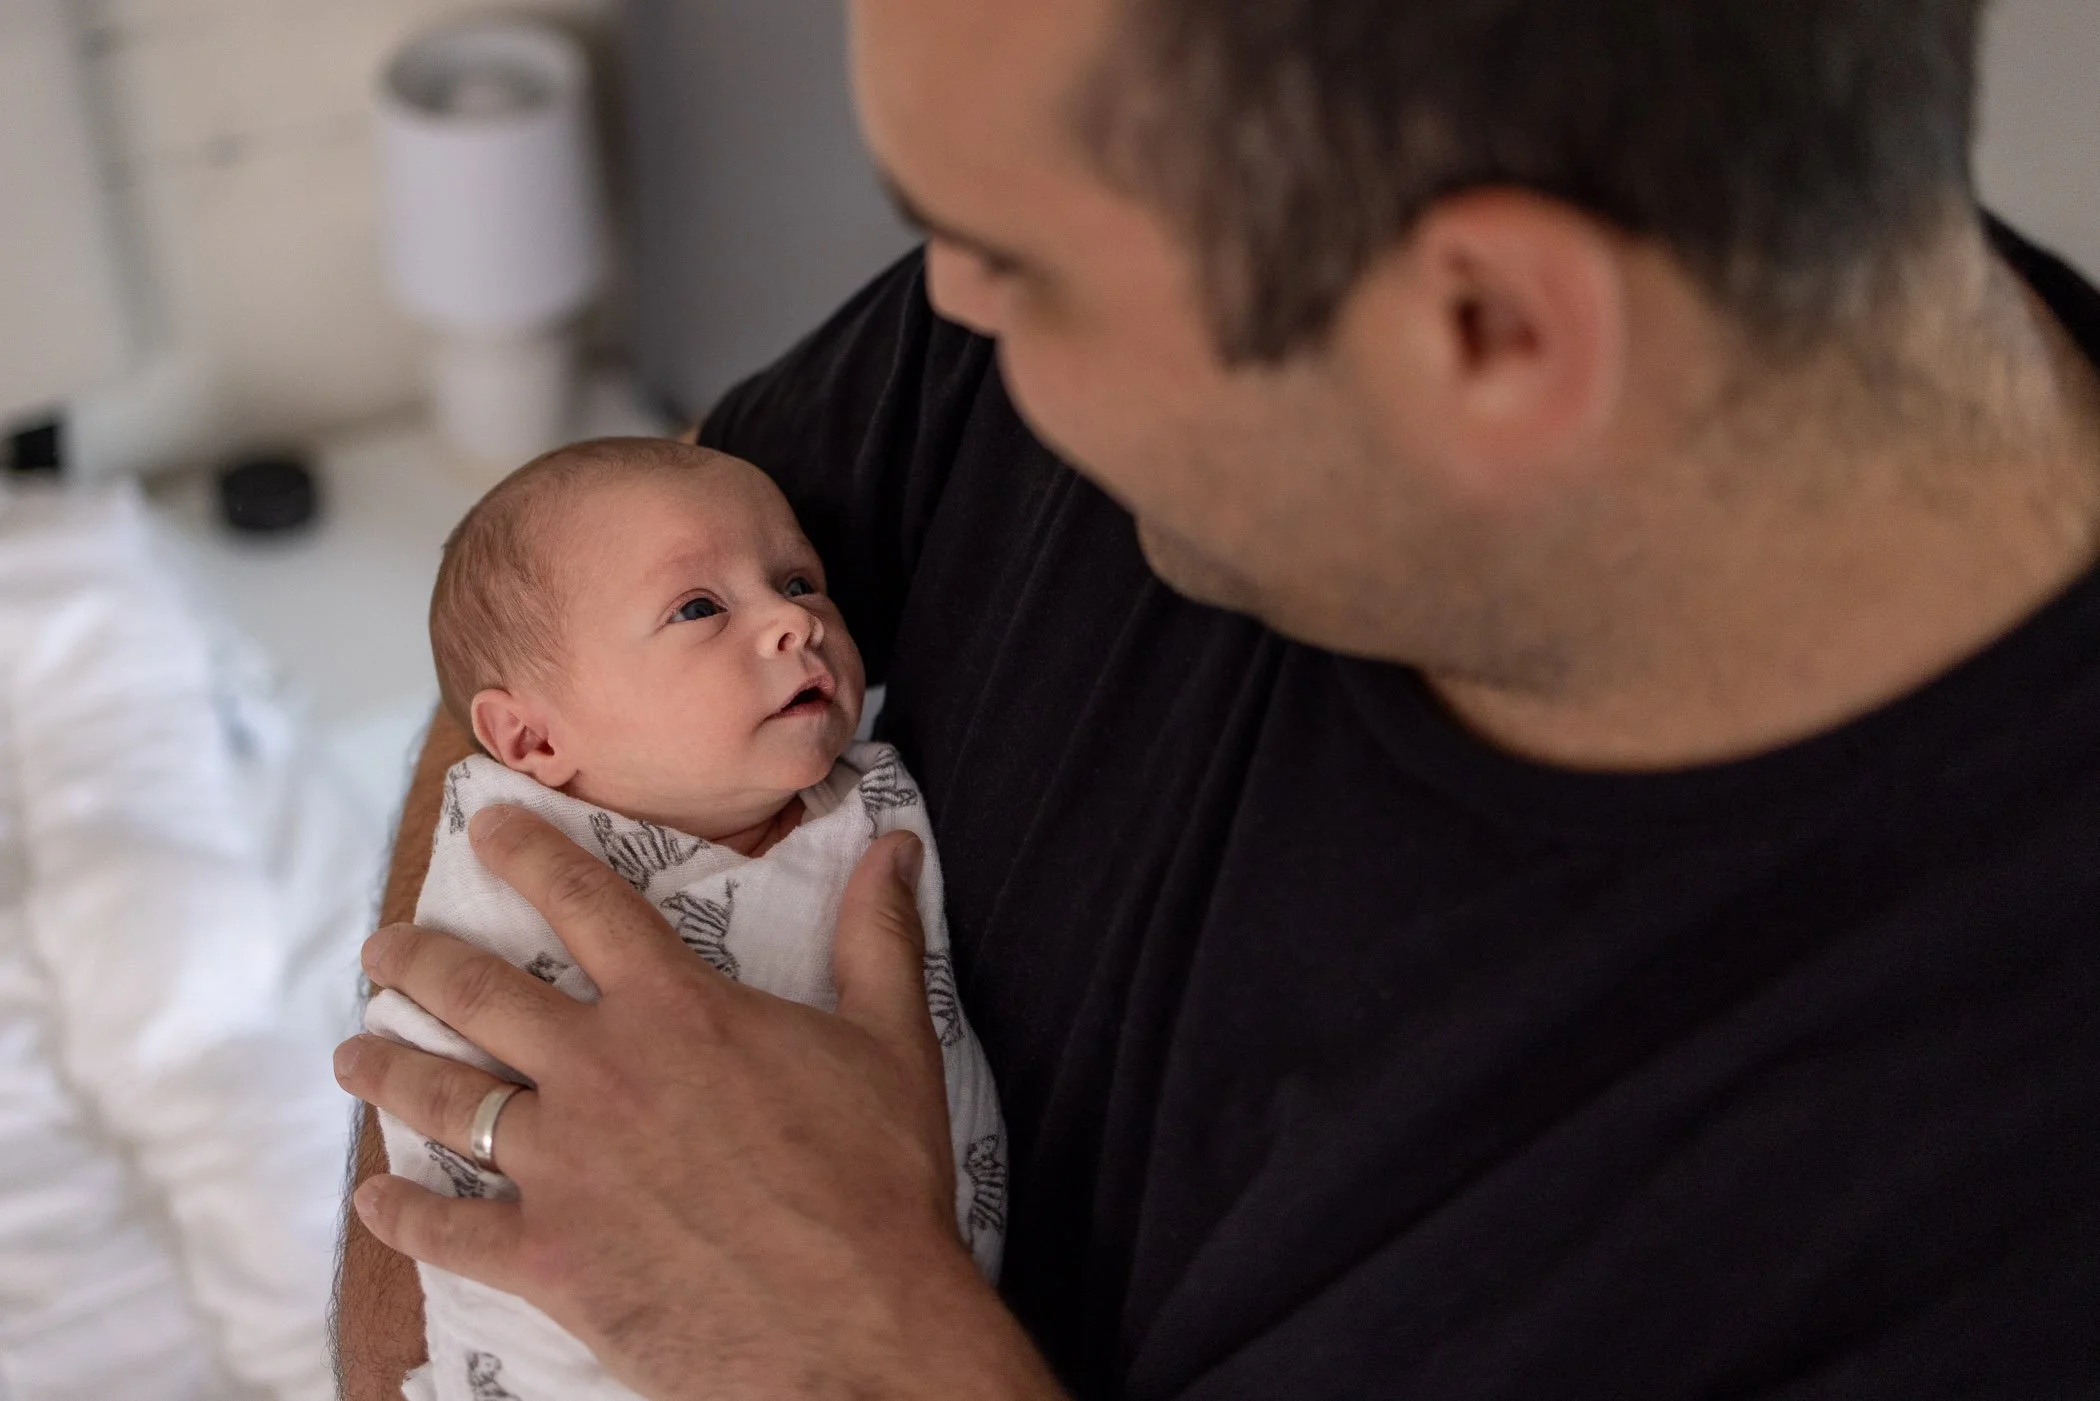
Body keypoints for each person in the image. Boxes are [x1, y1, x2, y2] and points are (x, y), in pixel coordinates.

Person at [333, 0, 2100, 1396]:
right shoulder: (1144, 280)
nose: (950, 301)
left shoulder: (1977, 1212)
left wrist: (858, 1348)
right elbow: (553, 607)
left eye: (1020, 263)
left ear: (1486, 330)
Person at [360, 438, 1004, 1401]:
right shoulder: (512, 881)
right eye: (699, 607)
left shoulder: (861, 806)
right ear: (533, 737)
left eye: (799, 578)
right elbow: (446, 1080)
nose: (795, 619)